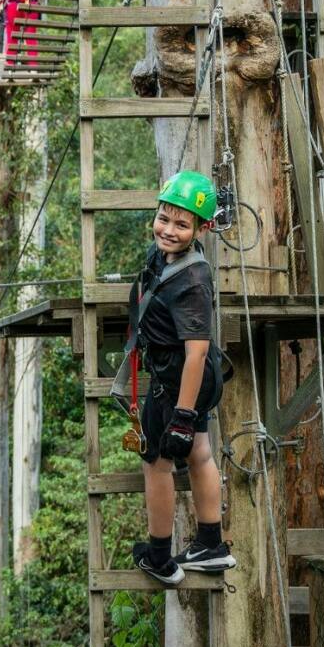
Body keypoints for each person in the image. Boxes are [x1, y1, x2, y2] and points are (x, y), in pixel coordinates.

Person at [124, 171, 237, 585]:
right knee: (200, 454)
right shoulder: (170, 258)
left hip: (179, 382)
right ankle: (210, 544)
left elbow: (197, 351)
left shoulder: (191, 281)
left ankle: (159, 556)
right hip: (190, 379)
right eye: (163, 219)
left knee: (157, 462)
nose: (168, 230)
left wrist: (183, 416)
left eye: (181, 224)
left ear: (201, 229)